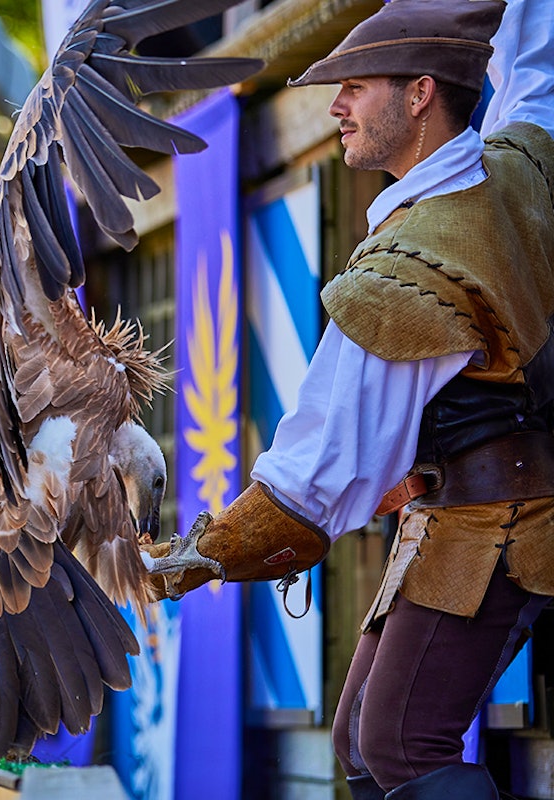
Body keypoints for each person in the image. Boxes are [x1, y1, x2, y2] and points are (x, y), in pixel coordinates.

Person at [144, 1, 554, 797]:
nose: (335, 105)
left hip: (497, 525)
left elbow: (312, 479)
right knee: (361, 738)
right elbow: (532, 72)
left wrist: (185, 560)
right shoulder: (522, 161)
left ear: (421, 93)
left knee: (399, 742)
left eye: (356, 87)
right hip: (469, 517)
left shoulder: (412, 263)